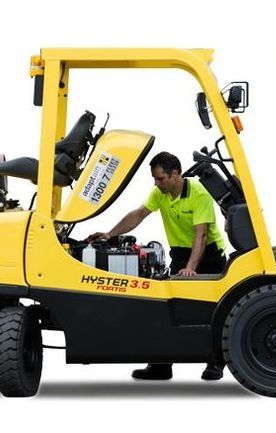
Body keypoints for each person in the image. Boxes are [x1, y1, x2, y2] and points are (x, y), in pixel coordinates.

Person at [88, 151, 227, 381]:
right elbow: (139, 214)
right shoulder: (160, 193)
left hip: (209, 256)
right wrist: (109, 234)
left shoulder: (199, 193)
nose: (156, 183)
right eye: (154, 178)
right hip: (181, 255)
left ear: (175, 175)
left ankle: (215, 363)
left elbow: (201, 235)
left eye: (160, 178)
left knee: (213, 311)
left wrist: (191, 268)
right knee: (166, 309)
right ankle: (161, 366)